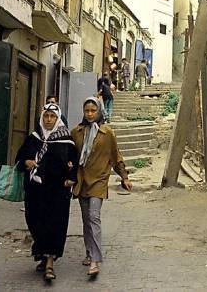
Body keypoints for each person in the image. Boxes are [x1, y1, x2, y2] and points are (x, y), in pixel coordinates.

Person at [14, 103, 78, 281]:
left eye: (52, 116)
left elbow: (75, 162)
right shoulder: (33, 138)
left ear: (58, 119)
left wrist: (71, 178)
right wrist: (26, 163)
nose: (49, 120)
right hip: (35, 192)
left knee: (55, 225)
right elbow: (19, 159)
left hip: (57, 192)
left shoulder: (66, 140)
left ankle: (50, 262)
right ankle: (42, 254)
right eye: (46, 116)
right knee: (35, 222)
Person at [71, 97, 132, 277]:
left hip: (99, 180)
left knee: (93, 216)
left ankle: (95, 260)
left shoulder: (107, 133)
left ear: (99, 112)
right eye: (87, 111)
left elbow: (116, 157)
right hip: (81, 181)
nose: (90, 114)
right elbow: (70, 156)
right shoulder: (77, 132)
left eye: (93, 111)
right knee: (86, 220)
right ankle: (89, 253)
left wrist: (124, 177)